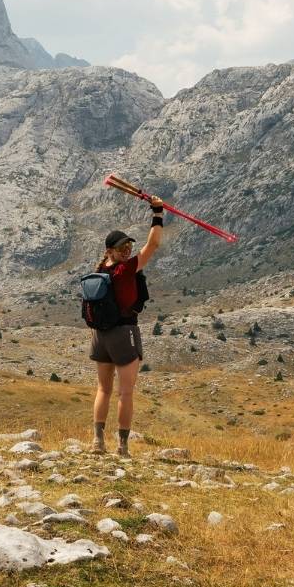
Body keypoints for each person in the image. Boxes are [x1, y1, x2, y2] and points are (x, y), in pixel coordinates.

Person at [89, 195, 165, 455]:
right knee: (125, 393)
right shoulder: (126, 269)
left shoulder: (101, 270)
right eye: (122, 247)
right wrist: (157, 212)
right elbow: (153, 243)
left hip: (100, 335)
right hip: (124, 333)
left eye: (129, 246)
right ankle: (122, 446)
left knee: (103, 389)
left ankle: (98, 442)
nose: (127, 250)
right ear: (110, 251)